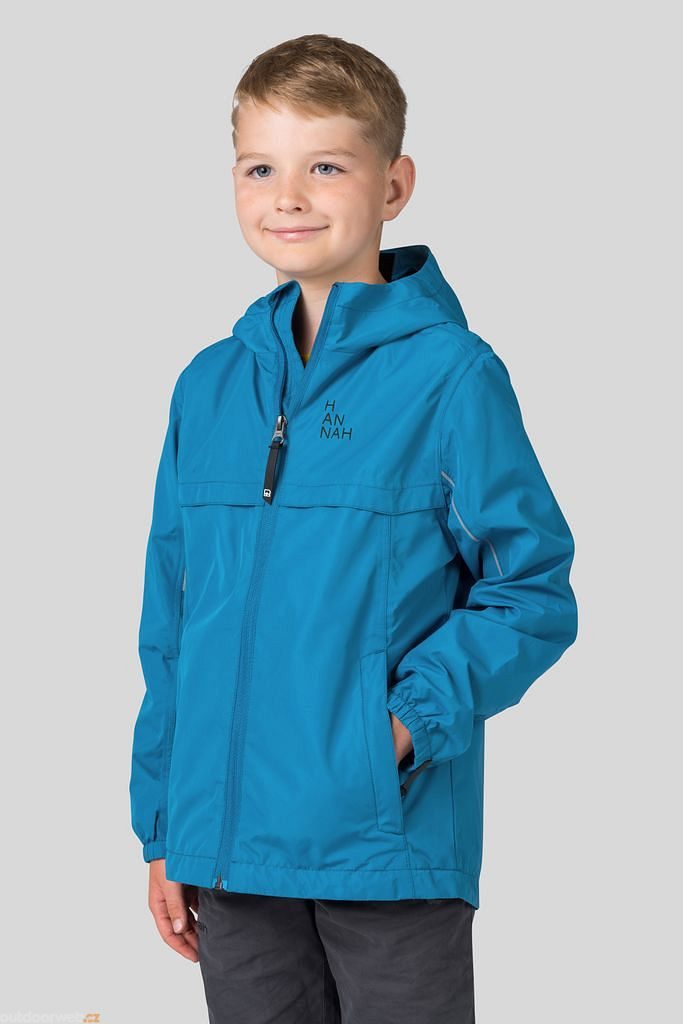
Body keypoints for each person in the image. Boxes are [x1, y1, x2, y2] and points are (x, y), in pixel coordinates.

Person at [129, 32, 578, 1024]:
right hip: (227, 856)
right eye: (260, 168)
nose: (288, 197)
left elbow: (530, 591)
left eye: (325, 166)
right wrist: (164, 823)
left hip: (383, 850)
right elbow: (172, 623)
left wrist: (395, 736)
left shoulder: (450, 377)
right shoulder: (209, 386)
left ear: (394, 185)